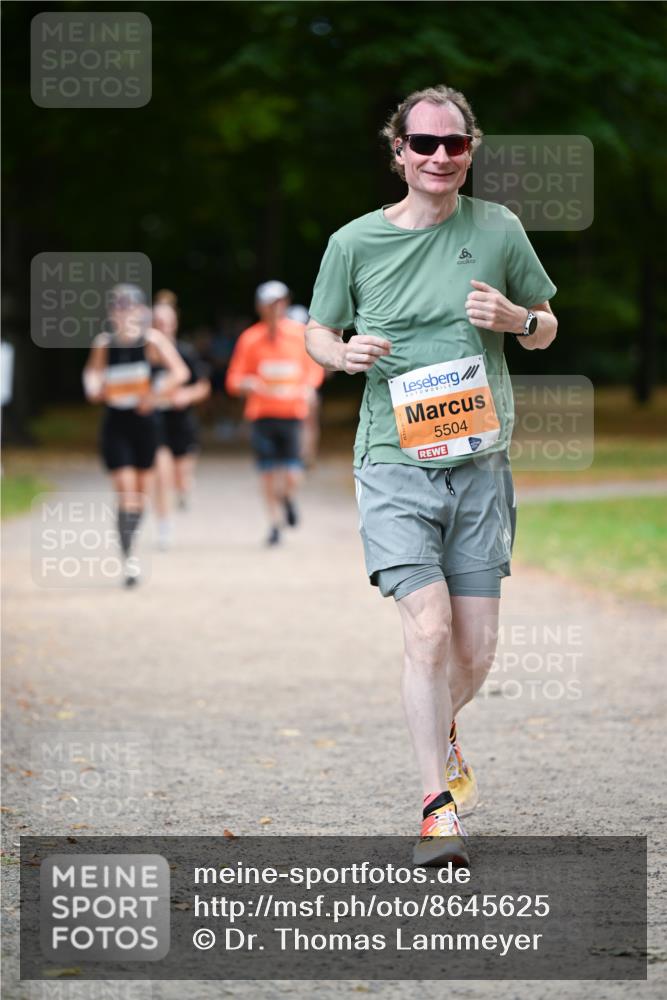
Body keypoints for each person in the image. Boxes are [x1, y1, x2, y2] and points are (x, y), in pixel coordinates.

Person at [305, 85, 558, 865]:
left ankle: (439, 726)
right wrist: (339, 354)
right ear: (398, 152)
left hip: (478, 464)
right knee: (428, 629)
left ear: (470, 150)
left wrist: (515, 321)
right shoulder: (353, 242)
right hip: (392, 462)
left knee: (474, 652)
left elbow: (547, 326)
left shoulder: (499, 229)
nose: (439, 157)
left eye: (453, 145)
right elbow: (317, 328)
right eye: (423, 144)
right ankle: (435, 807)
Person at [82, 284, 188, 586]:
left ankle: (132, 545)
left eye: (129, 307)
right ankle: (128, 559)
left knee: (139, 495)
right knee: (125, 490)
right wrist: (94, 388)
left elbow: (180, 373)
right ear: (111, 313)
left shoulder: (151, 341)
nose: (123, 313)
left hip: (146, 425)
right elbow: (92, 374)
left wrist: (154, 395)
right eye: (118, 307)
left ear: (141, 312)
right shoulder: (104, 343)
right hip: (116, 424)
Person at [226, 281, 324, 546]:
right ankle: (274, 524)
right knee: (267, 472)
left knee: (292, 473)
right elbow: (233, 378)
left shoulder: (299, 334)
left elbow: (314, 369)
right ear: (260, 307)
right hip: (261, 414)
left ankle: (287, 497)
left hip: (292, 412)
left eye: (280, 302)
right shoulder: (249, 339)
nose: (276, 308)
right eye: (270, 303)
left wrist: (308, 387)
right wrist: (245, 383)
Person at [151, 294, 211, 548]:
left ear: (174, 324)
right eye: (158, 322)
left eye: (167, 322)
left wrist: (186, 395)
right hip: (154, 422)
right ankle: (164, 526)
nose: (163, 327)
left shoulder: (185, 352)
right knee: (160, 476)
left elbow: (203, 386)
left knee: (180, 478)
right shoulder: (143, 353)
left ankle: (184, 490)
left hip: (181, 422)